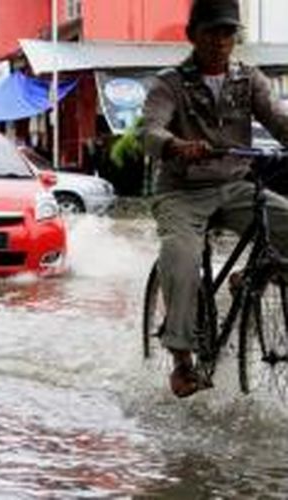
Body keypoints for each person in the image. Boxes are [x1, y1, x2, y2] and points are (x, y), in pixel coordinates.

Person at [142, 0, 288, 398]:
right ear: (193, 35)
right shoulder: (169, 83)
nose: (221, 42)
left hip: (236, 186)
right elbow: (150, 131)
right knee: (181, 256)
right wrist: (176, 145)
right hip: (182, 191)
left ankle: (256, 275)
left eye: (228, 33)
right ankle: (182, 362)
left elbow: (278, 120)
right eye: (212, 32)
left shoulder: (249, 79)